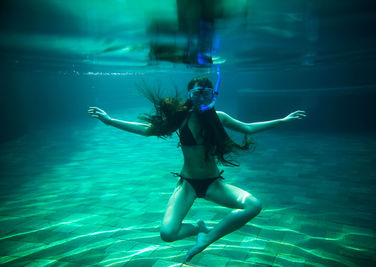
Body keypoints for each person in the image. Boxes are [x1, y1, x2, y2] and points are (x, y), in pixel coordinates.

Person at [88, 76, 306, 263]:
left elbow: (248, 128)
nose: (202, 97)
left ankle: (209, 237)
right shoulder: (180, 118)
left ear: (213, 94)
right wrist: (110, 121)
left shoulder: (219, 117)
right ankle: (199, 228)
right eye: (197, 92)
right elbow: (147, 130)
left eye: (207, 92)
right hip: (188, 185)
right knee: (167, 233)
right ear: (190, 94)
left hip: (213, 183)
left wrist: (283, 120)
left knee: (253, 205)